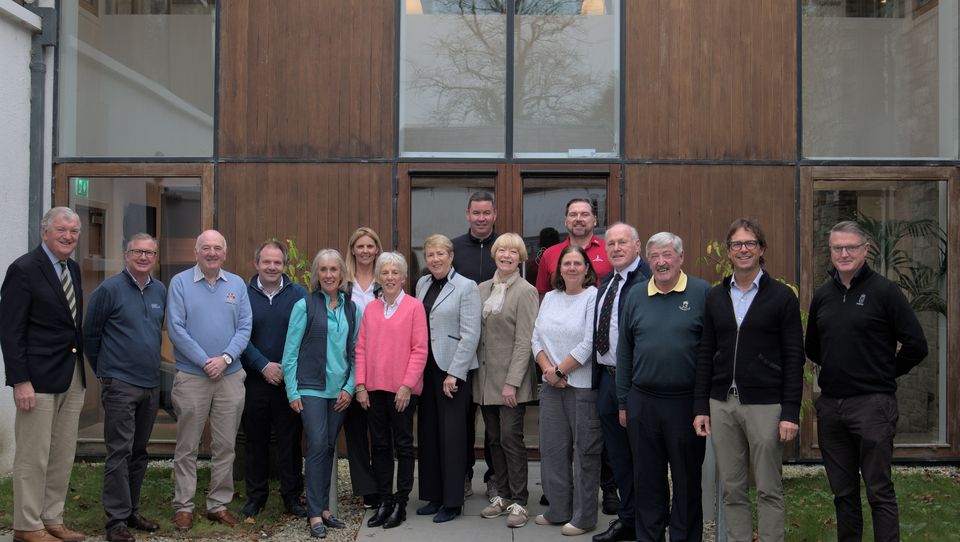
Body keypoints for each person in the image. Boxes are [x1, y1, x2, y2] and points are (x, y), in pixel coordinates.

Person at [806, 220, 928, 542]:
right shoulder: (823, 295)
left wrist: (884, 372)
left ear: (865, 250)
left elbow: (917, 345)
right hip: (832, 408)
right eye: (837, 248)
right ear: (830, 252)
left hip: (873, 406)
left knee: (879, 491)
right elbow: (813, 347)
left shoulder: (885, 292)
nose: (843, 253)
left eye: (850, 247)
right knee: (843, 494)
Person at [693, 218, 804, 542]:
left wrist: (790, 412)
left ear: (761, 250)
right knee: (731, 488)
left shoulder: (782, 297)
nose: (743, 250)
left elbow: (794, 356)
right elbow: (705, 353)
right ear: (728, 252)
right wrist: (701, 406)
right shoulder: (715, 297)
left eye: (750, 243)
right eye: (737, 244)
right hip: (722, 403)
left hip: (766, 405)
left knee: (769, 487)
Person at [616, 232, 710, 542]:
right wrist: (623, 401)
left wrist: (702, 406)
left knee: (686, 482)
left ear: (681, 257)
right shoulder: (637, 295)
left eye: (667, 254)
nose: (661, 261)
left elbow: (710, 352)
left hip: (685, 405)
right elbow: (625, 352)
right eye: (655, 255)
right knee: (648, 482)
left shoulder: (702, 293)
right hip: (643, 402)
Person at [1, 207, 87, 542]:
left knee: (62, 454)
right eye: (62, 230)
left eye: (74, 232)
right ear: (45, 232)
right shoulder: (23, 269)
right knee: (32, 456)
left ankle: (52, 518)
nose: (68, 237)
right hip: (35, 381)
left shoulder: (73, 269)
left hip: (71, 375)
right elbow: (10, 331)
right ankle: (26, 524)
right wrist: (20, 380)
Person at [166, 229, 252, 531]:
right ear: (196, 252)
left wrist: (225, 358)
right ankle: (184, 506)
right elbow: (176, 328)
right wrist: (205, 361)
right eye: (206, 248)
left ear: (224, 253)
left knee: (225, 445)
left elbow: (244, 327)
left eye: (217, 248)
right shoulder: (180, 284)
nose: (212, 253)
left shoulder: (237, 285)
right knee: (187, 445)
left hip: (229, 377)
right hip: (192, 376)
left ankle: (218, 504)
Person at [83, 233, 166, 542]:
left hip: (149, 383)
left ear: (156, 257)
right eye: (137, 252)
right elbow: (90, 335)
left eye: (149, 252)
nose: (144, 257)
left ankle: (131, 511)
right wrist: (107, 373)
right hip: (120, 384)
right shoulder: (109, 290)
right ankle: (115, 521)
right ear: (125, 255)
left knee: (139, 451)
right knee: (119, 451)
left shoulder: (160, 290)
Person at [281, 249, 360, 538]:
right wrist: (292, 390)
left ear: (341, 274)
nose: (329, 275)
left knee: (328, 447)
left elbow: (356, 354)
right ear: (317, 274)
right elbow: (289, 354)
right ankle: (314, 513)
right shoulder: (305, 306)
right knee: (316, 446)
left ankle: (325, 509)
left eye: (334, 270)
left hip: (339, 392)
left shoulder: (352, 309)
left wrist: (350, 388)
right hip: (311, 388)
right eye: (323, 270)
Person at [355, 252, 428, 530]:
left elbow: (419, 350)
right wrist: (360, 385)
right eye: (384, 273)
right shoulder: (371, 309)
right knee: (381, 446)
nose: (389, 278)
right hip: (373, 389)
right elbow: (360, 348)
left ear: (403, 277)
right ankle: (385, 499)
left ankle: (400, 501)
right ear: (378, 277)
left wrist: (407, 385)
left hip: (402, 391)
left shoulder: (414, 307)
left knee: (404, 446)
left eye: (394, 272)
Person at [532, 245, 600, 537]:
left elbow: (589, 342)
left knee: (585, 453)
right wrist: (549, 372)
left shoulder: (593, 297)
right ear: (558, 269)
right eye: (567, 263)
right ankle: (558, 509)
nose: (571, 267)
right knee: (553, 451)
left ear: (587, 269)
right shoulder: (549, 298)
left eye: (577, 263)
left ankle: (584, 517)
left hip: (581, 387)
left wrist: (560, 372)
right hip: (551, 387)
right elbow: (536, 338)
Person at [238, 240, 308, 519]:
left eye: (277, 262)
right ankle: (256, 497)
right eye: (266, 262)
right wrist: (263, 365)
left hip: (288, 382)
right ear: (256, 264)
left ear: (284, 265)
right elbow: (238, 336)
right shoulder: (242, 294)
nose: (272, 267)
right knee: (255, 441)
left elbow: (306, 335)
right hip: (254, 380)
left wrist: (285, 370)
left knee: (290, 441)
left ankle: (292, 496)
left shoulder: (299, 294)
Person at [414, 234, 482, 523]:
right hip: (425, 369)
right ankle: (434, 495)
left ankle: (452, 502)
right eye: (430, 254)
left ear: (451, 256)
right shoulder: (422, 283)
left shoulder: (466, 287)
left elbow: (470, 334)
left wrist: (455, 372)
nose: (435, 259)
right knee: (428, 434)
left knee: (452, 437)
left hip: (452, 370)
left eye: (441, 254)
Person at [591, 223, 651, 542]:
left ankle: (647, 523)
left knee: (642, 457)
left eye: (622, 243)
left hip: (635, 385)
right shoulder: (606, 282)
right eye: (610, 243)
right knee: (618, 458)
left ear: (637, 246)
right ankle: (628, 520)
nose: (615, 248)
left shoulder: (647, 282)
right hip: (606, 381)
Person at [474, 233, 539, 528]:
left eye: (513, 251)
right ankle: (501, 494)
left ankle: (520, 501)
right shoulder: (482, 289)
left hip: (511, 382)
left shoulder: (526, 291)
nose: (507, 255)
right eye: (502, 250)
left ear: (521, 257)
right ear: (495, 254)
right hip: (485, 381)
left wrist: (512, 382)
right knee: (494, 440)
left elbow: (526, 341)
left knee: (512, 439)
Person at [450, 191, 499, 500]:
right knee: (463, 418)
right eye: (476, 213)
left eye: (486, 213)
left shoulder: (505, 247)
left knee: (494, 420)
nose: (481, 218)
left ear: (494, 215)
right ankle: (464, 473)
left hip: (497, 350)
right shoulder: (453, 249)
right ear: (467, 214)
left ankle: (495, 477)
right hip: (461, 349)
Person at [343, 227, 384, 509]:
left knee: (381, 432)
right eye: (361, 246)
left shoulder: (387, 283)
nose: (366, 251)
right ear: (353, 250)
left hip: (381, 364)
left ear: (377, 250)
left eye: (371, 246)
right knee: (356, 431)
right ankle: (367, 490)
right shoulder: (344, 286)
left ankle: (384, 485)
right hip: (349, 364)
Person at [534, 198, 612, 296]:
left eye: (585, 214)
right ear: (566, 221)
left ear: (595, 220)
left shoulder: (609, 250)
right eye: (573, 214)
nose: (578, 219)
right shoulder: (549, 254)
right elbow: (542, 294)